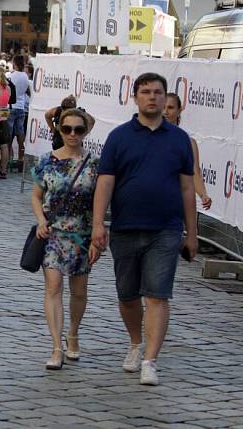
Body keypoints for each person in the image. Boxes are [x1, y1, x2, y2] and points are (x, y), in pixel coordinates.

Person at [90, 72, 197, 387]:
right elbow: (105, 182)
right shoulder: (119, 137)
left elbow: (188, 189)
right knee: (127, 295)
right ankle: (136, 341)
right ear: (135, 97)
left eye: (158, 92)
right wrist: (99, 224)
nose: (153, 97)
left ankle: (150, 360)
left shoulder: (179, 139)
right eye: (146, 92)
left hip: (166, 229)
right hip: (125, 226)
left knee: (157, 295)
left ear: (167, 99)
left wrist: (192, 234)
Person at [31, 109, 99, 370]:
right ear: (59, 130)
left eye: (78, 129)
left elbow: (99, 201)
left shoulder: (94, 163)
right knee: (53, 287)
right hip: (53, 233)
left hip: (82, 234)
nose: (72, 134)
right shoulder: (47, 160)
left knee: (79, 290)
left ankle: (73, 332)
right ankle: (56, 346)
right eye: (67, 128)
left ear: (85, 132)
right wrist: (40, 220)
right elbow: (36, 195)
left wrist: (97, 234)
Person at [164, 93, 212, 211]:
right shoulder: (146, 137)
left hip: (174, 208)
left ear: (179, 111)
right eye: (163, 107)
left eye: (170, 107)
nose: (165, 112)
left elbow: (194, 174)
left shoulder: (188, 143)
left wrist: (203, 195)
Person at [7, 55, 30, 170]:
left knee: (9, 133)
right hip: (21, 106)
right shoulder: (25, 76)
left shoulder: (11, 76)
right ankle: (21, 157)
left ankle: (8, 157)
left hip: (11, 106)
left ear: (15, 64)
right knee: (20, 133)